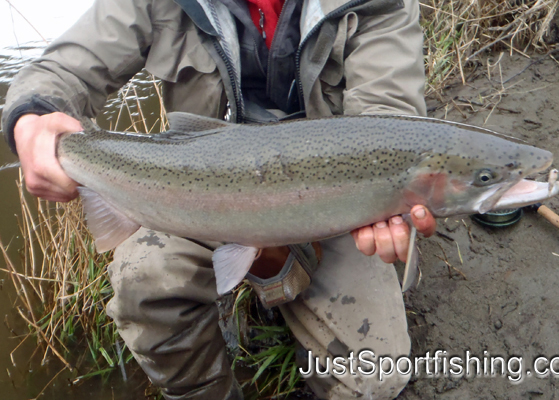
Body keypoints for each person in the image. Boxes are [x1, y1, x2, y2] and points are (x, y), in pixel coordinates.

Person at [2, 0, 436, 398]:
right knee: (144, 280)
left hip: (326, 208)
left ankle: (282, 284)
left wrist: (389, 192)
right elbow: (63, 69)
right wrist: (33, 115)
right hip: (196, 198)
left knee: (378, 375)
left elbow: (391, 124)